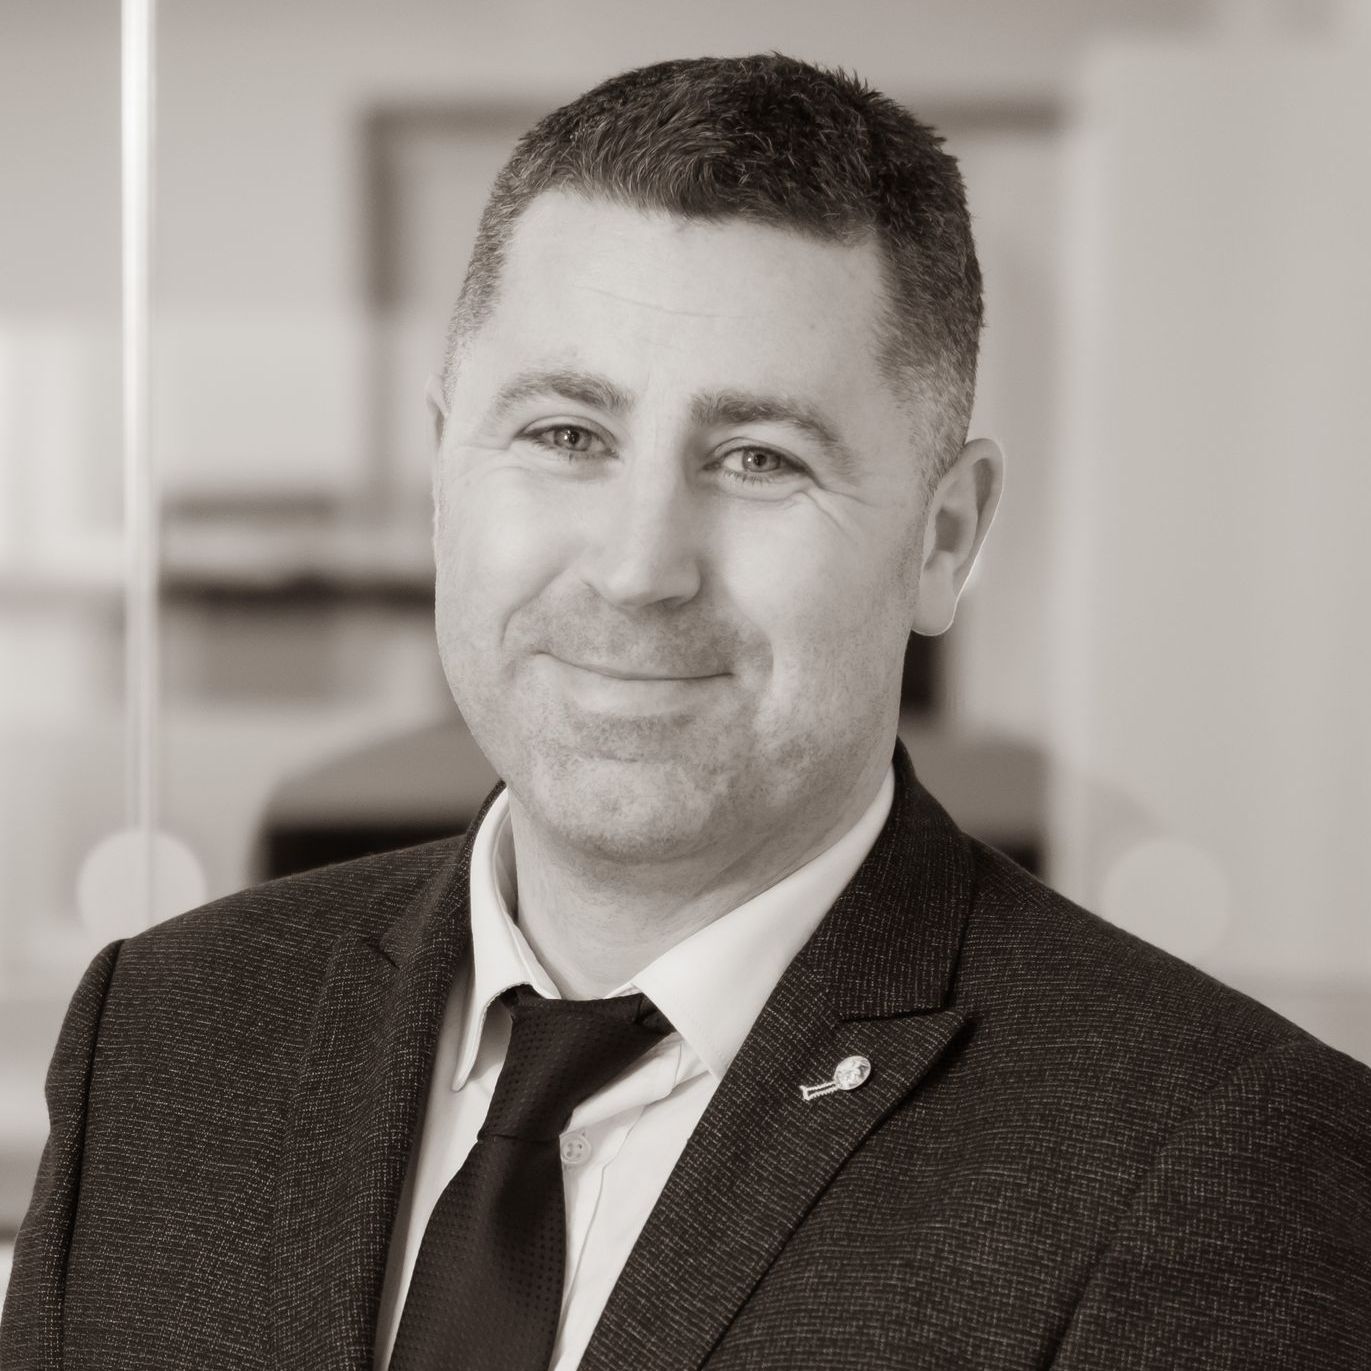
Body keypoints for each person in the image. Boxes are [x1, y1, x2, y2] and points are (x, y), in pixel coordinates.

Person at [3, 53, 1369, 1371]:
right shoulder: (168, 1035)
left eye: (759, 458)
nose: (639, 567)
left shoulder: (1222, 1165)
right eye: (566, 437)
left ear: (945, 537)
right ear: (441, 476)